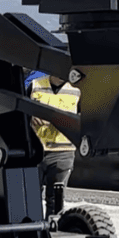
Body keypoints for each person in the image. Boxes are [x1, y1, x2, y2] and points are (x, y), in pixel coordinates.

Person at [25, 71, 80, 207]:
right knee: (30, 200)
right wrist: (30, 117)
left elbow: (85, 119)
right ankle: (33, 228)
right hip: (35, 152)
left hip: (62, 154)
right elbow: (21, 112)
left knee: (55, 202)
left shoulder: (78, 90)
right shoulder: (34, 85)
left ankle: (52, 228)